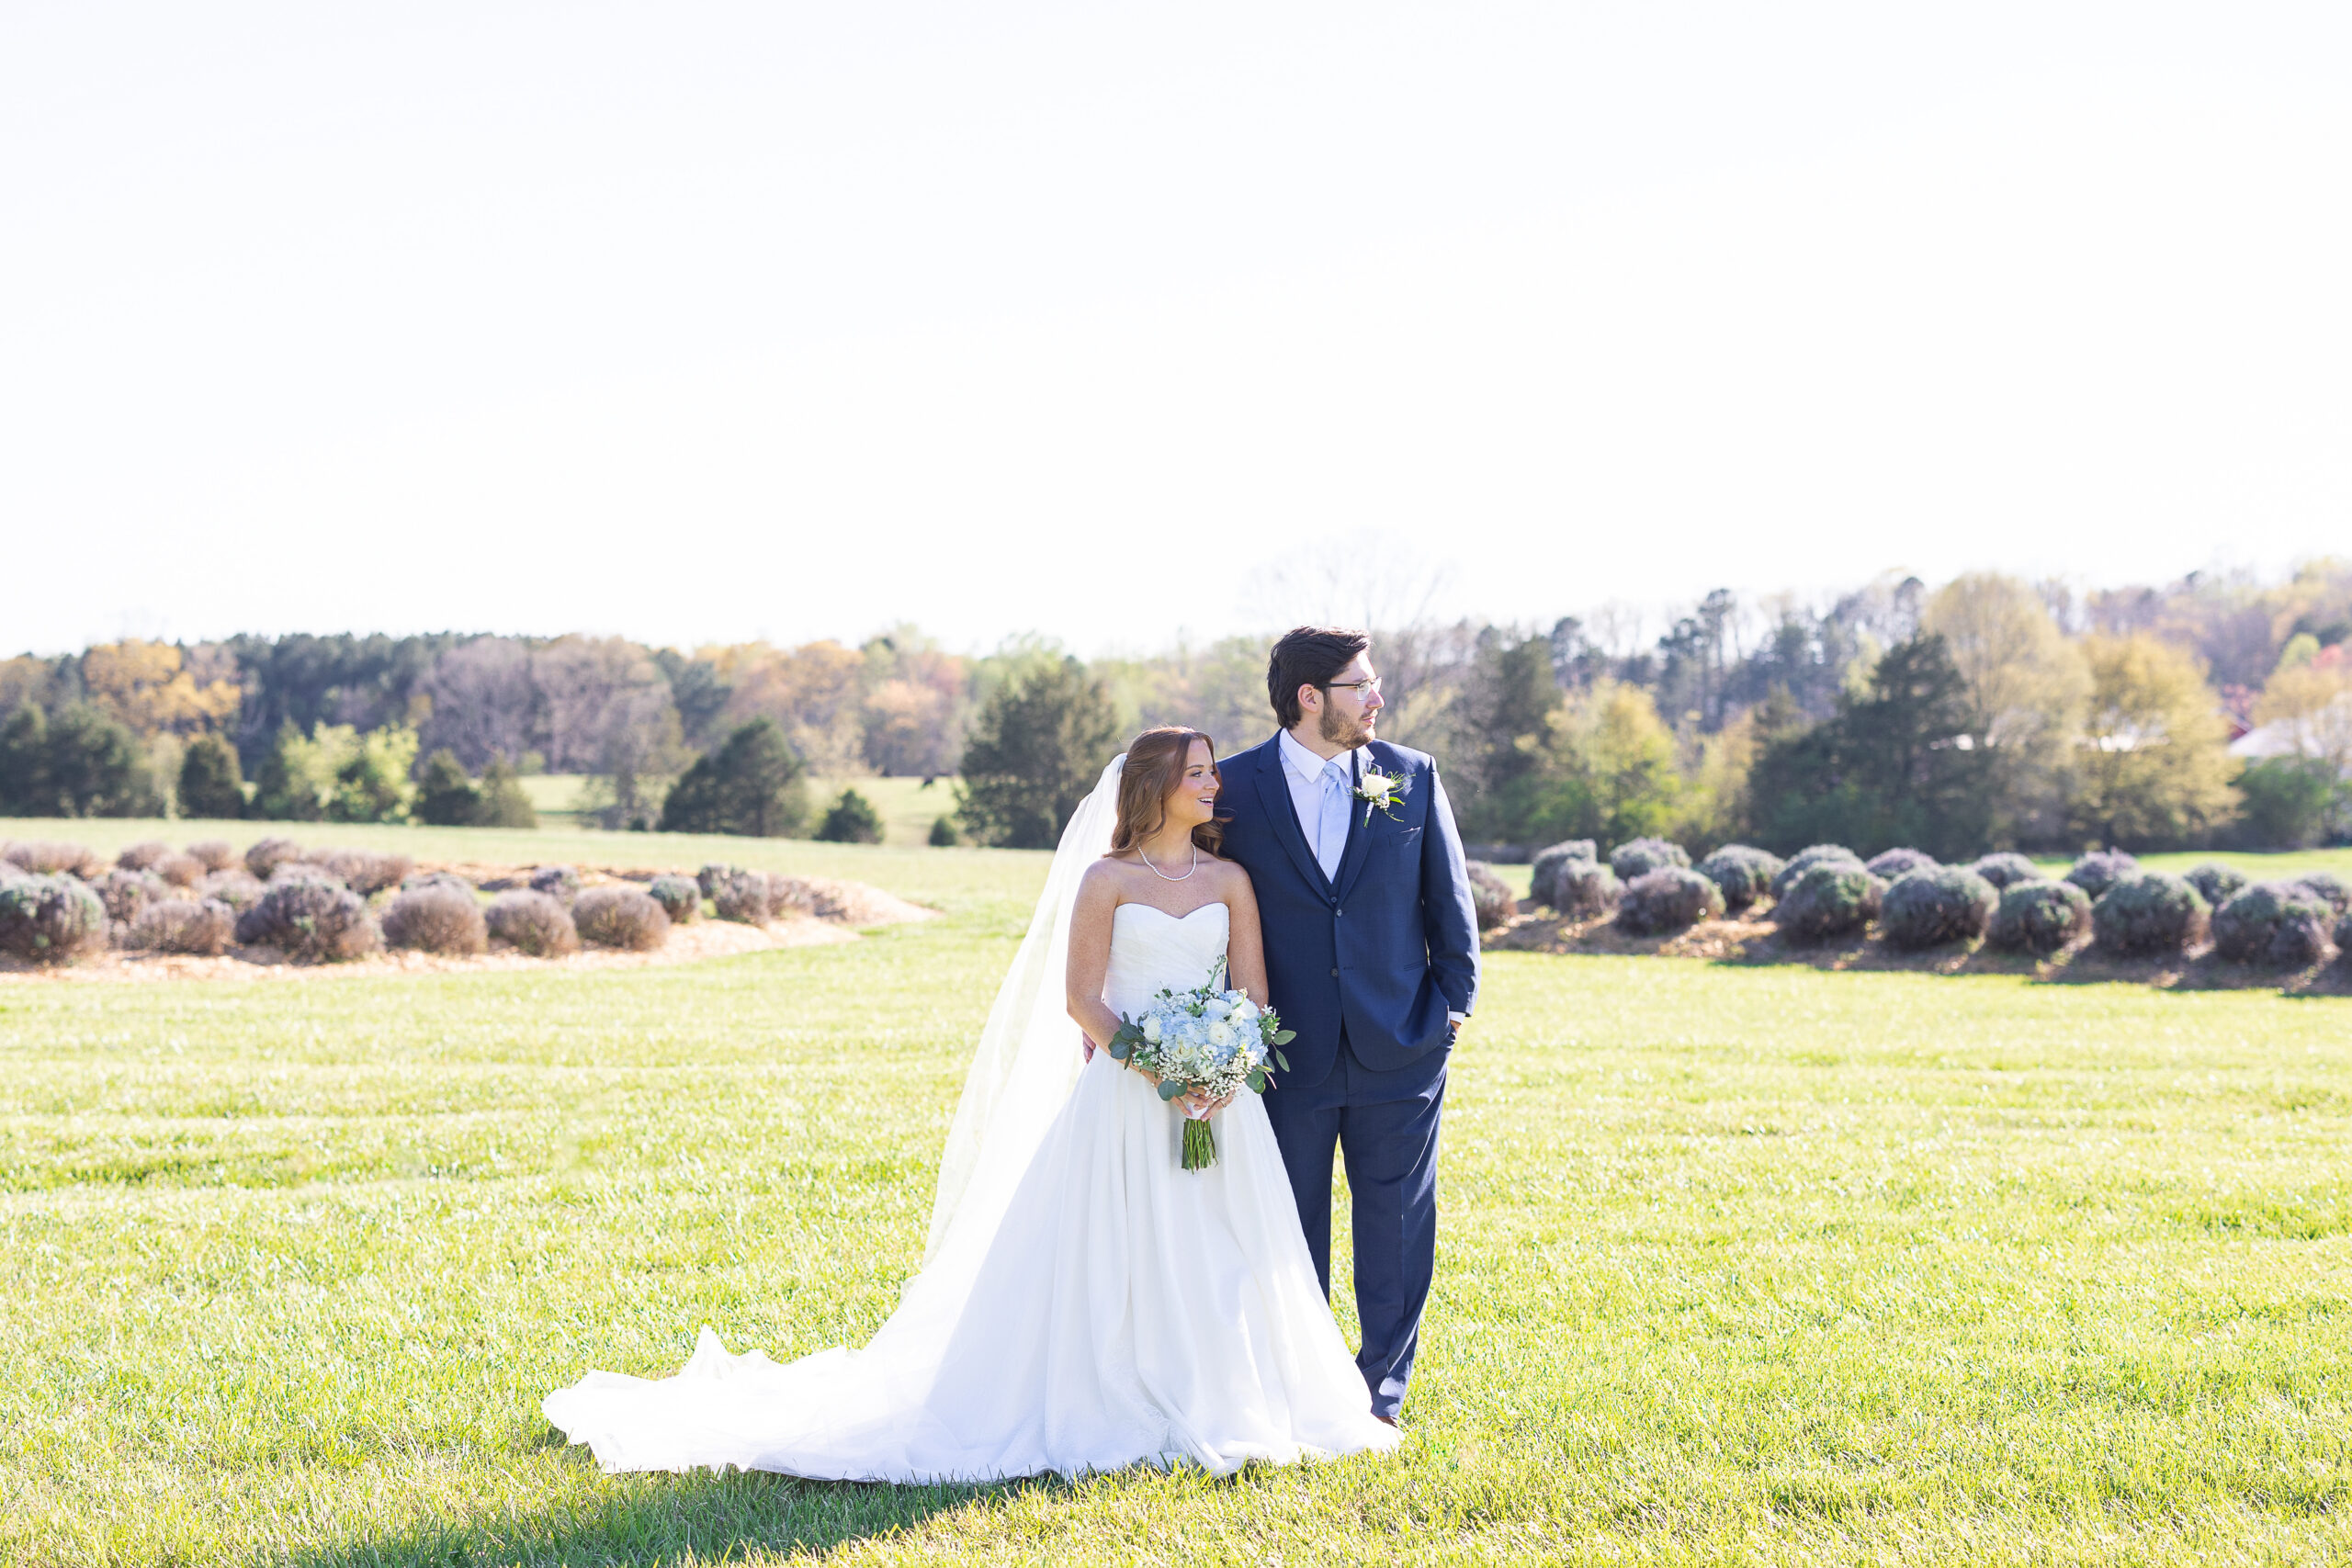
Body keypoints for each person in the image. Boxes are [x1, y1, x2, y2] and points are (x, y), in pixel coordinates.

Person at [541, 726, 1398, 1480]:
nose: (1215, 784)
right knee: (1119, 1254)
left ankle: (1225, 1393)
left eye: (1212, 770)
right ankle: (1116, 1392)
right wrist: (1159, 1069)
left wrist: (1222, 1065)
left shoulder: (1230, 880)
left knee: (1223, 1254)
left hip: (1221, 1108)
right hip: (1131, 1100)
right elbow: (1083, 999)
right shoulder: (1104, 880)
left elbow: (1252, 993)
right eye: (1198, 772)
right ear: (1154, 789)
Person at [1208, 626, 1480, 1425]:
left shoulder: (1412, 775)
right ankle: (1302, 1386)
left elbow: (1449, 904)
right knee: (1289, 1226)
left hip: (1402, 1044)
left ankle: (1380, 1394)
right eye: (1361, 684)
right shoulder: (1231, 788)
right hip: (1284, 1055)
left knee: (1397, 1225)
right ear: (1309, 697)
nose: (1377, 697)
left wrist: (1452, 1010)